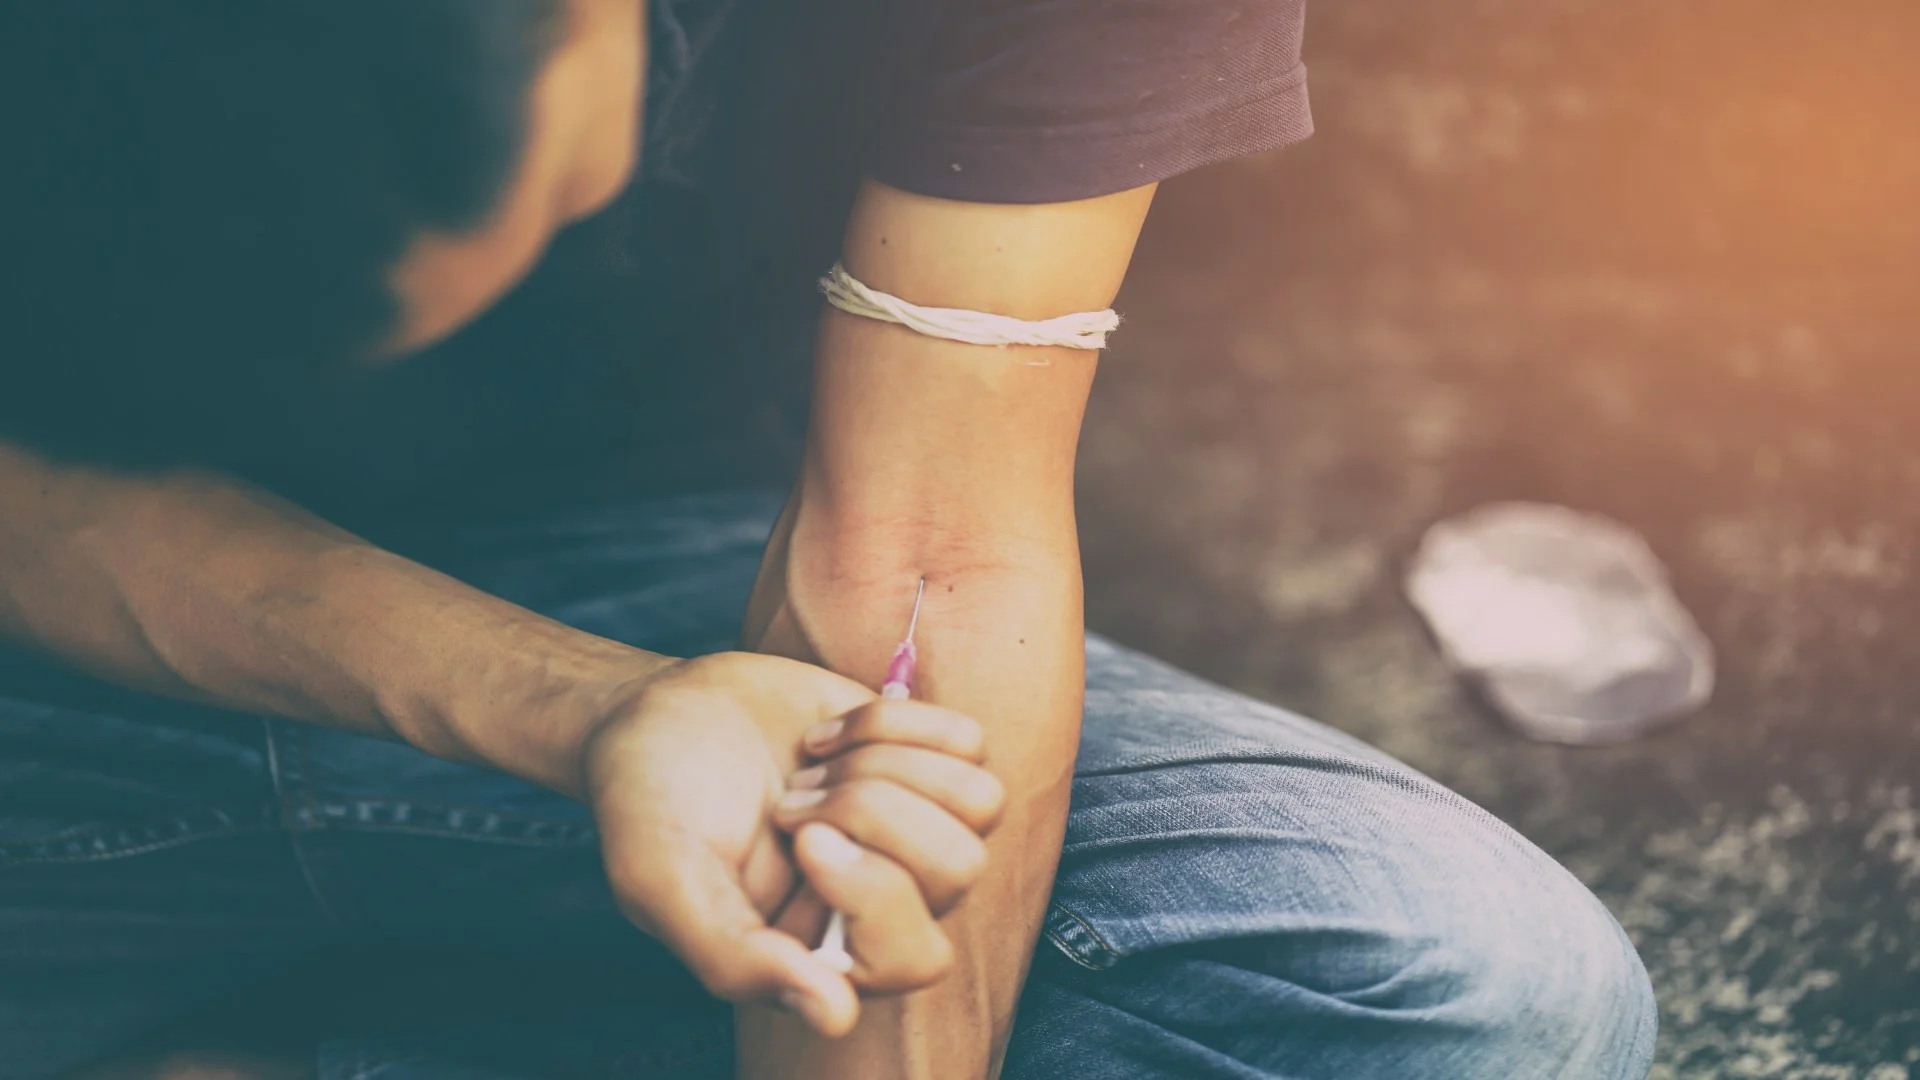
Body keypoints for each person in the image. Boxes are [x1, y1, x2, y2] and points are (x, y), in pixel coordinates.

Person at [0, 1, 1659, 1077]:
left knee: (1474, 991)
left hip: (658, 564)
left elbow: (931, 539)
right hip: (49, 691)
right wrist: (576, 711)